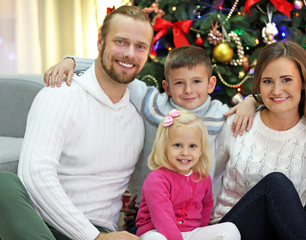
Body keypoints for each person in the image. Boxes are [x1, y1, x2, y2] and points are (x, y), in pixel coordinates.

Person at [44, 45, 258, 232]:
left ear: (211, 84)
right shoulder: (153, 105)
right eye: (179, 83)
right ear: (166, 86)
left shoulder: (221, 115)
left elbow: (268, 107)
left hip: (195, 217)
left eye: (196, 82)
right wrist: (71, 61)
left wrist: (251, 100)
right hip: (148, 216)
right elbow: (113, 70)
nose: (188, 90)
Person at [0, 5, 154, 240]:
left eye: (140, 46)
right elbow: (35, 175)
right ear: (100, 42)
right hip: (45, 226)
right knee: (3, 185)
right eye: (121, 42)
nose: (130, 54)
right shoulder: (60, 96)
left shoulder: (141, 111)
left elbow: (194, 102)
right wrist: (93, 236)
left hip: (105, 232)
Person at [211, 40, 306, 240]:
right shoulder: (240, 123)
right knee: (276, 183)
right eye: (267, 81)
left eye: (286, 80)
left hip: (282, 233)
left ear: (304, 82)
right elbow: (204, 174)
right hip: (232, 231)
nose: (276, 90)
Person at [135, 109, 240, 240]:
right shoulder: (156, 180)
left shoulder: (203, 177)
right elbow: (162, 219)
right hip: (157, 231)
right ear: (164, 147)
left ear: (201, 149)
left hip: (190, 232)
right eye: (177, 145)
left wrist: (201, 231)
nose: (185, 152)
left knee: (230, 229)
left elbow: (206, 207)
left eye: (192, 146)